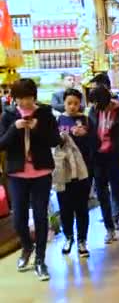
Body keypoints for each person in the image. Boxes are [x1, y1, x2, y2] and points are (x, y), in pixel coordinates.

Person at [0, 79, 61, 281]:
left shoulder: (44, 113)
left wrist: (37, 128)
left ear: (34, 96)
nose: (25, 102)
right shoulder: (8, 114)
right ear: (14, 98)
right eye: (20, 98)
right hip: (17, 174)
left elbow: (55, 140)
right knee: (18, 219)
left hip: (41, 172)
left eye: (28, 97)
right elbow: (2, 144)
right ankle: (27, 246)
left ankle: (40, 260)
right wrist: (14, 128)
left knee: (41, 216)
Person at [88, 83, 119, 243]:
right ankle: (109, 227)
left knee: (117, 188)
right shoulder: (94, 111)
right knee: (101, 193)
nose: (96, 108)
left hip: (114, 155)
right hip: (98, 156)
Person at [56, 89, 92, 258]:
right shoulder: (58, 119)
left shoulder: (85, 119)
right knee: (65, 207)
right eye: (69, 103)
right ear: (64, 103)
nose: (72, 106)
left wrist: (85, 135)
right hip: (63, 171)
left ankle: (82, 240)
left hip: (83, 171)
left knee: (82, 207)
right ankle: (68, 237)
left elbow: (94, 143)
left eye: (76, 103)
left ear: (80, 104)